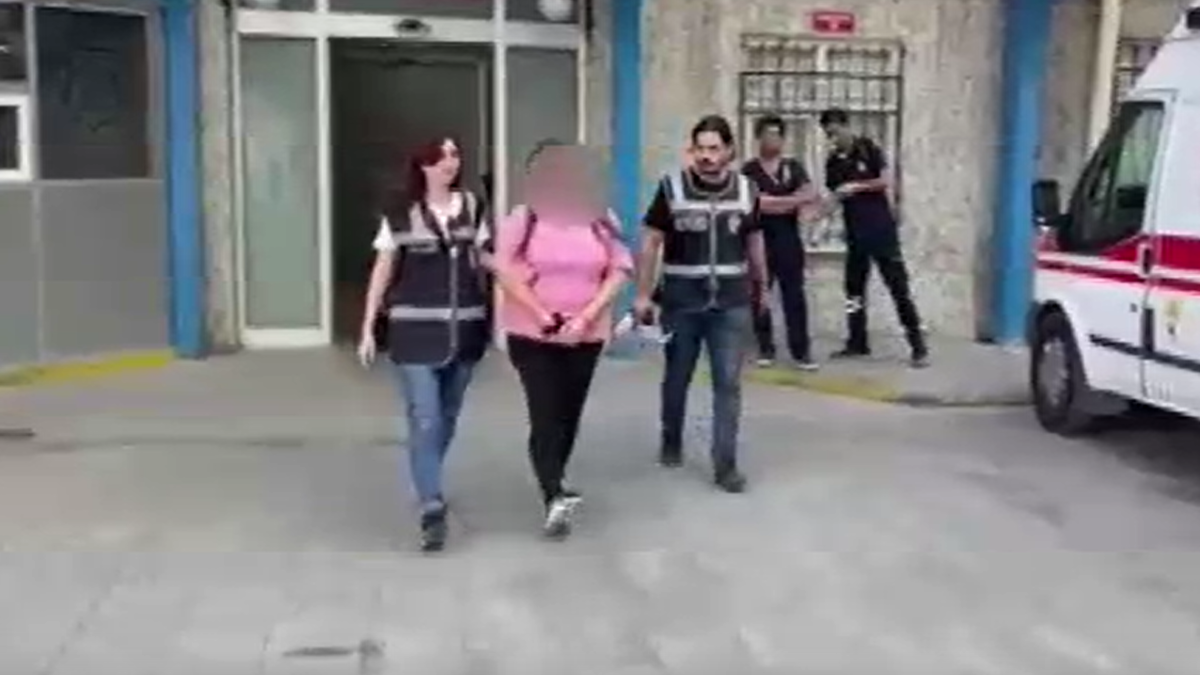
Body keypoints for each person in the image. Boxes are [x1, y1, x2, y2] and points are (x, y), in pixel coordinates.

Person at [493, 140, 633, 539]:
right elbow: (503, 270)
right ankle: (553, 494)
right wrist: (543, 315)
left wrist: (587, 316)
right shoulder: (524, 219)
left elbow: (620, 267)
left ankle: (556, 477)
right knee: (545, 412)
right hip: (533, 334)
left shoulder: (599, 218)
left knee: (569, 414)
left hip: (586, 336)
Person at [356, 137, 492, 553]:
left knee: (447, 417)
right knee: (426, 418)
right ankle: (432, 507)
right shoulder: (400, 213)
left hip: (465, 331)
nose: (450, 162)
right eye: (440, 157)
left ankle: (425, 472)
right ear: (423, 166)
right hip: (413, 334)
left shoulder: (473, 207)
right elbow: (383, 269)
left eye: (455, 154)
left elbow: (485, 262)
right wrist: (367, 327)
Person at [634, 114, 768, 494]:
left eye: (714, 148)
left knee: (728, 384)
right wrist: (642, 294)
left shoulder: (747, 190)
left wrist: (763, 285)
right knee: (678, 376)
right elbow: (650, 242)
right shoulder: (672, 188)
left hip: (731, 302)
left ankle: (725, 465)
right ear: (691, 150)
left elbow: (755, 241)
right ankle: (671, 439)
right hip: (682, 302)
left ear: (729, 151)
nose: (706, 156)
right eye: (700, 149)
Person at [819, 108, 930, 369]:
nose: (833, 139)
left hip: (881, 231)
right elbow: (834, 196)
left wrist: (857, 186)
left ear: (846, 127)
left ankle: (917, 344)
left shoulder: (867, 148)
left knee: (898, 288)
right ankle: (857, 340)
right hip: (855, 234)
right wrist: (821, 212)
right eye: (829, 135)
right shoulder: (833, 162)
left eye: (836, 132)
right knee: (853, 291)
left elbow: (885, 180)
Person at [741, 114, 819, 370]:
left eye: (777, 135)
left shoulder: (792, 167)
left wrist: (778, 203)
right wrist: (791, 201)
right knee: (759, 293)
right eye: (767, 134)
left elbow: (810, 195)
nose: (772, 139)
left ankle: (801, 351)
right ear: (759, 138)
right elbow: (754, 202)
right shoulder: (750, 170)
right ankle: (765, 348)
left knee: (794, 295)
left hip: (788, 238)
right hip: (759, 237)